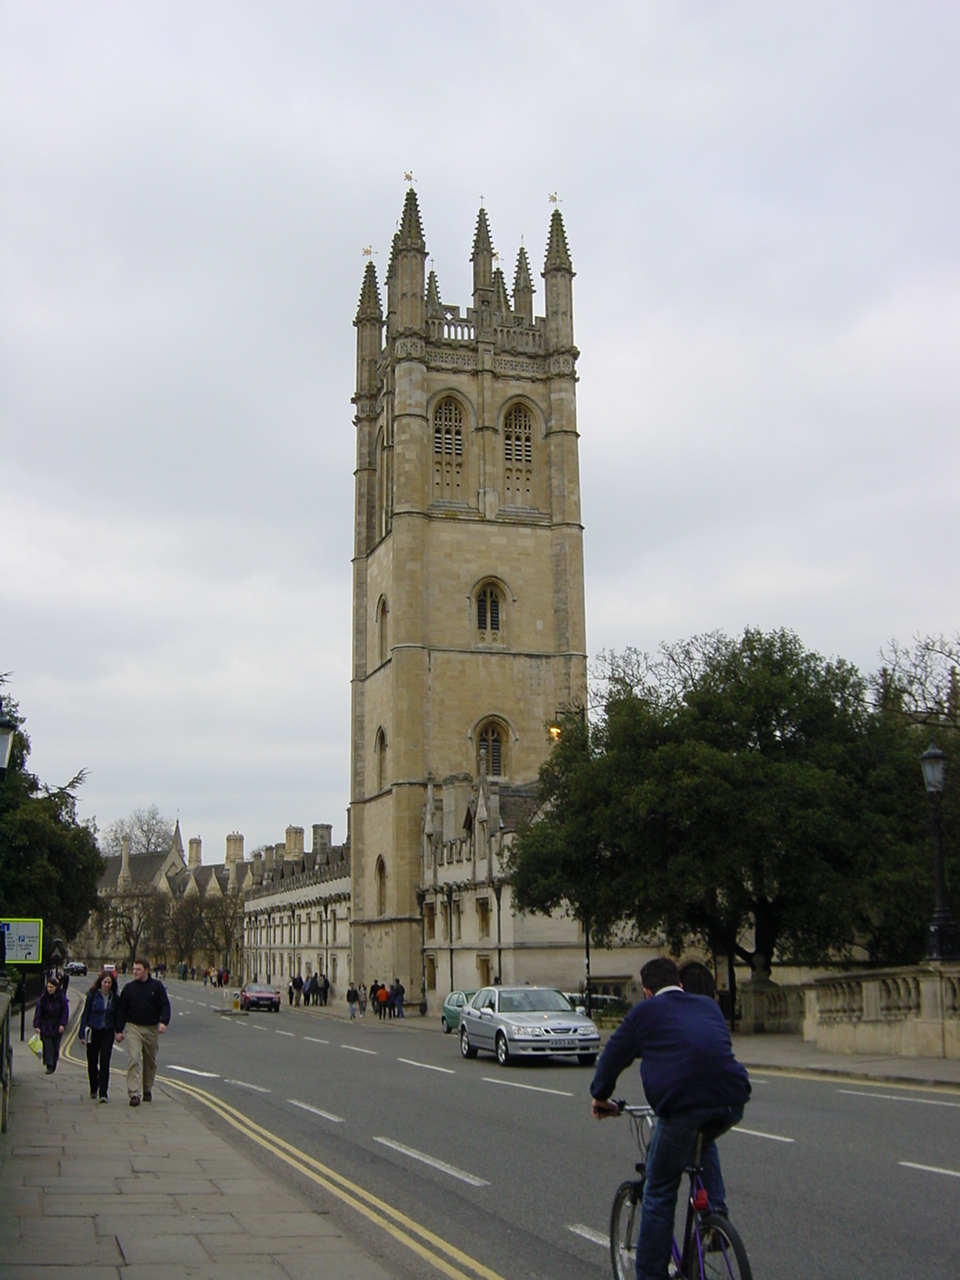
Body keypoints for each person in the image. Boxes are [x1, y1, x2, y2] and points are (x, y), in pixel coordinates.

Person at [590, 958, 751, 1280]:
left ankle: (650, 1275)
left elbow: (612, 1058)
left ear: (647, 992)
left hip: (681, 1108)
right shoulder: (707, 1005)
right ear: (679, 983)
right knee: (702, 1138)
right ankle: (715, 1218)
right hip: (732, 1100)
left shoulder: (644, 1013)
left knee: (660, 1189)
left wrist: (600, 1096)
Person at [114, 958, 171, 1107]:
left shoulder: (157, 987)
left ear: (146, 970)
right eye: (133, 969)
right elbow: (121, 1010)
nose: (135, 972)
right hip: (134, 1027)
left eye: (138, 969)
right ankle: (134, 1093)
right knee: (134, 1058)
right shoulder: (128, 989)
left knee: (150, 1061)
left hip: (151, 1028)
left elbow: (165, 1005)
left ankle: (147, 1088)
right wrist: (119, 1030)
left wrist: (164, 1022)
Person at [79, 969, 118, 1101]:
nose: (107, 985)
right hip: (93, 1030)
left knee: (105, 1062)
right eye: (105, 982)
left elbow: (117, 1015)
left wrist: (118, 1030)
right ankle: (93, 1088)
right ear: (100, 982)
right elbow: (85, 1014)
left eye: (109, 983)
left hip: (107, 1031)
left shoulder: (114, 997)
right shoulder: (92, 995)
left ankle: (103, 1093)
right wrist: (82, 1033)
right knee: (92, 1061)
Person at [33, 975, 69, 1074]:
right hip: (45, 1025)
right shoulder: (43, 998)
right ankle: (49, 1065)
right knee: (48, 1046)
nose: (49, 989)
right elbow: (38, 1011)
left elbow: (65, 1011)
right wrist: (37, 1025)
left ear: (56, 987)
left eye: (51, 987)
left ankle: (53, 1062)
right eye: (48, 987)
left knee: (55, 1046)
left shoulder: (61, 998)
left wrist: (63, 1024)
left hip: (57, 1025)